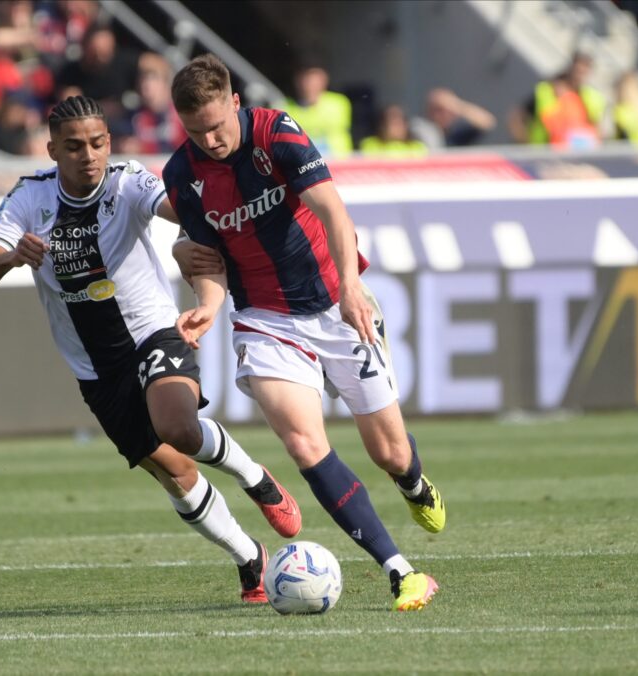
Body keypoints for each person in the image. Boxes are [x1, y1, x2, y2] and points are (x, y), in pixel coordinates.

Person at [0, 95, 302, 604]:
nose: (88, 155)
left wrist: (196, 228)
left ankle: (256, 478)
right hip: (95, 366)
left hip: (153, 334)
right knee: (176, 472)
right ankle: (249, 558)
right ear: (53, 150)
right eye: (74, 147)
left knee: (179, 427)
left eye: (98, 143)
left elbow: (176, 206)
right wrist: (13, 256)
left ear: (109, 143)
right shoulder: (30, 198)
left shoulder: (128, 179)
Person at [163, 54, 444, 612]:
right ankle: (401, 571)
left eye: (218, 125)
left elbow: (334, 212)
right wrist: (209, 307)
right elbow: (210, 262)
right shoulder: (182, 175)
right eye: (197, 131)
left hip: (335, 304)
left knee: (389, 453)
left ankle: (413, 483)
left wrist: (350, 289)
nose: (211, 140)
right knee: (303, 443)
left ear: (235, 103)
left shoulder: (277, 135)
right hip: (264, 319)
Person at [509, 52, 606, 148]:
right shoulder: (546, 90)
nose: (579, 75)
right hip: (542, 153)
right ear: (571, 68)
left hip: (571, 156)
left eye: (584, 71)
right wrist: (526, 146)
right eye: (578, 70)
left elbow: (596, 129)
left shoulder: (588, 98)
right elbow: (517, 118)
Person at [282, 64, 353, 157]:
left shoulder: (339, 102)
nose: (309, 86)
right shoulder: (284, 107)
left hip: (338, 164)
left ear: (324, 81)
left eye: (314, 82)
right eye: (306, 81)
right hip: (304, 166)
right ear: (297, 82)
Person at [358, 104, 428, 157]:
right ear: (382, 126)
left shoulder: (417, 147)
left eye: (399, 123)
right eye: (392, 123)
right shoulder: (370, 144)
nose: (396, 128)